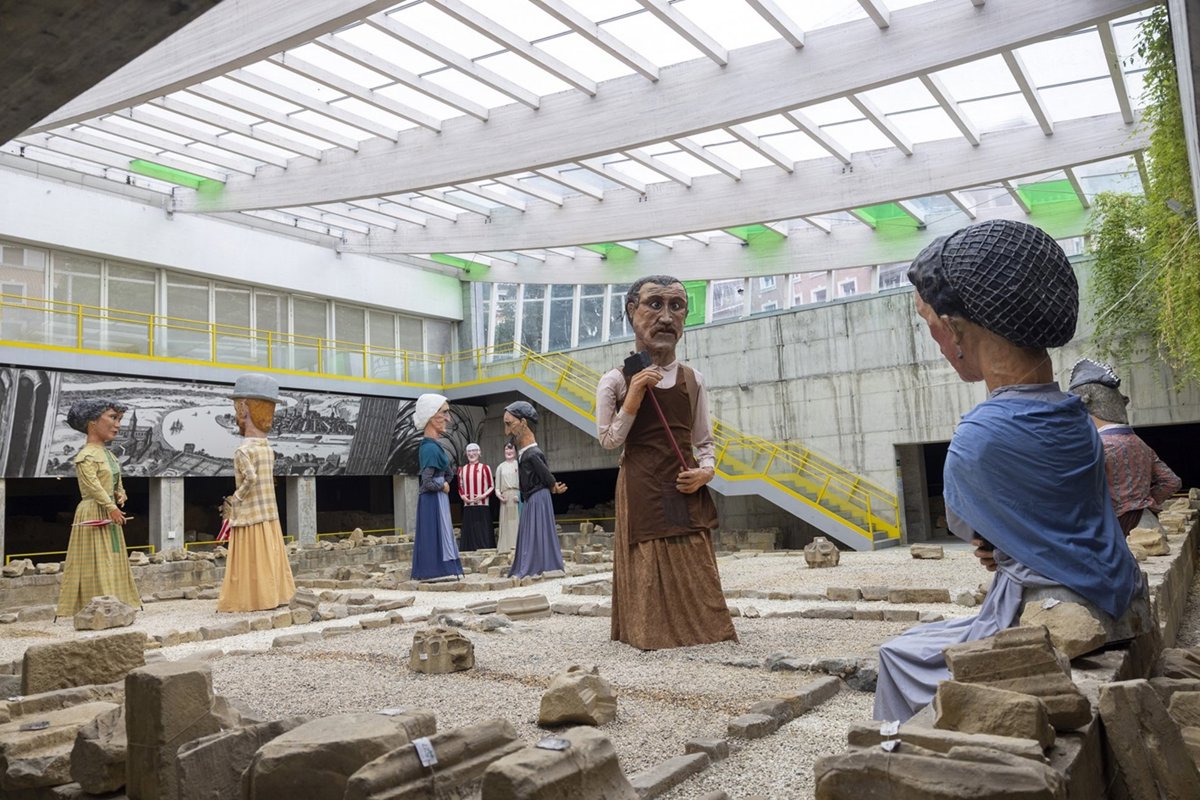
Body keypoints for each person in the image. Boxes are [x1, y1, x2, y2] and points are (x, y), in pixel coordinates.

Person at [875, 219, 1146, 722]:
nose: (936, 341)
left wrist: (997, 545)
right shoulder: (1074, 414)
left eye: (931, 325)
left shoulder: (979, 435)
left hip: (1054, 603)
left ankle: (895, 745)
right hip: (1118, 588)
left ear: (957, 329)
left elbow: (973, 533)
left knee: (900, 656)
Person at [596, 275, 737, 650]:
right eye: (655, 304)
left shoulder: (693, 379)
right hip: (640, 483)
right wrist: (633, 397)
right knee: (647, 559)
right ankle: (648, 632)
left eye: (677, 306)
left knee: (695, 559)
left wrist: (706, 472)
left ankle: (705, 631)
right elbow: (609, 440)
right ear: (632, 311)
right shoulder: (614, 381)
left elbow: (704, 440)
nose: (666, 316)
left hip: (683, 483)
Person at [1068, 358, 1181, 535]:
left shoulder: (1095, 446)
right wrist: (1142, 504)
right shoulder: (1140, 443)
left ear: (1084, 405)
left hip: (1113, 532)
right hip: (1149, 525)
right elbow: (1171, 482)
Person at [217, 374, 297, 612]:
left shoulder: (243, 450)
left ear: (244, 408)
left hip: (250, 513)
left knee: (250, 560)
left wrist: (236, 497)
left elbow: (250, 478)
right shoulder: (266, 448)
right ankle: (276, 594)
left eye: (236, 408)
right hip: (269, 513)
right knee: (270, 556)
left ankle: (251, 599)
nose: (235, 415)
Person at [56, 399, 141, 619]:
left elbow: (115, 480)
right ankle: (96, 606)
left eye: (119, 419)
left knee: (112, 556)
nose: (118, 425)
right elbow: (93, 486)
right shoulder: (86, 456)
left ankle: (118, 601)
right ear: (92, 422)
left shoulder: (109, 455)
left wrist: (121, 493)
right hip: (94, 511)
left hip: (110, 512)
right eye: (113, 418)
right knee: (96, 559)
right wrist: (111, 507)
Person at [504, 401, 567, 578]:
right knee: (532, 531)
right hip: (531, 497)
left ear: (523, 422)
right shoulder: (526, 452)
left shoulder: (532, 453)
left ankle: (540, 564)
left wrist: (552, 485)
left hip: (537, 497)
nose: (507, 431)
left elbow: (544, 472)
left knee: (537, 532)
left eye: (509, 424)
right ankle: (534, 564)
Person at [411, 393, 463, 580]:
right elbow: (427, 482)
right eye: (444, 413)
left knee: (441, 532)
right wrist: (442, 485)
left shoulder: (434, 446)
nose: (448, 418)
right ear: (432, 416)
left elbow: (448, 473)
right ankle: (435, 570)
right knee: (434, 533)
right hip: (432, 500)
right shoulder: (430, 448)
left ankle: (441, 569)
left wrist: (443, 482)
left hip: (437, 498)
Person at [457, 443, 495, 550]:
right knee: (469, 531)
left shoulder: (485, 468)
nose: (471, 453)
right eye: (469, 451)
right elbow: (460, 487)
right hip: (468, 506)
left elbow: (491, 486)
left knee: (483, 531)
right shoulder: (462, 469)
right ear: (466, 454)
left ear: (479, 453)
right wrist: (463, 497)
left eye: (474, 450)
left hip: (482, 505)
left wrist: (482, 496)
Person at [495, 442, 521, 553]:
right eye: (506, 449)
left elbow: (524, 483)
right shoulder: (500, 467)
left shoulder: (519, 465)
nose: (509, 451)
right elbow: (497, 487)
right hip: (505, 497)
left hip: (516, 496)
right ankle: (505, 547)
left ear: (515, 451)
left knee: (517, 522)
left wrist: (520, 496)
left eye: (511, 449)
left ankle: (519, 545)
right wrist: (499, 495)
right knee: (506, 523)